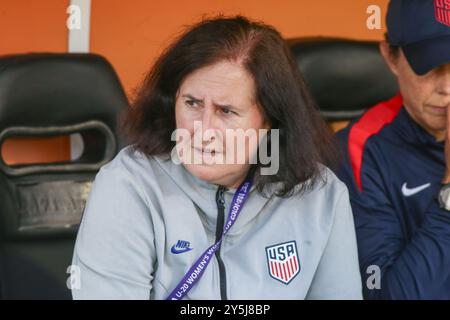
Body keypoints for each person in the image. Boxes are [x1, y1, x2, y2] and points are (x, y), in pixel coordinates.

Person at [71, 16, 362, 300]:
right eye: (192, 103)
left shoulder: (321, 196)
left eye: (226, 111)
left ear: (269, 123)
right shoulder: (127, 186)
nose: (203, 131)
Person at [336, 0, 450, 299]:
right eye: (431, 67)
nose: (448, 87)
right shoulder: (359, 152)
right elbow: (385, 295)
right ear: (390, 57)